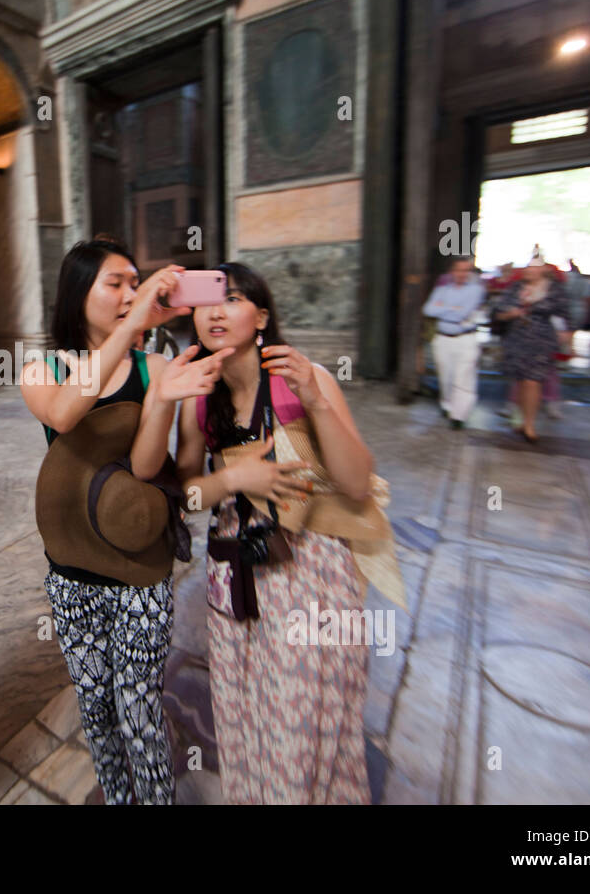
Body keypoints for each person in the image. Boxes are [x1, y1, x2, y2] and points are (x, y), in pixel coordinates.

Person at [157, 262, 393, 803]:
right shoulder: (199, 398)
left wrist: (314, 400)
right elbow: (189, 496)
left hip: (310, 574)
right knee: (244, 715)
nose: (216, 310)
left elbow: (358, 485)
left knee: (303, 725)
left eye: (234, 298)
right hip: (236, 575)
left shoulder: (301, 382)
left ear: (262, 317)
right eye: (207, 300)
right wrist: (233, 478)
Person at [20, 237, 229, 804]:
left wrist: (165, 398)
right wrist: (134, 319)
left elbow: (147, 467)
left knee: (138, 707)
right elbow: (65, 414)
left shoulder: (153, 363)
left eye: (135, 284)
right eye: (115, 283)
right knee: (95, 706)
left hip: (139, 564)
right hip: (71, 567)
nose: (130, 294)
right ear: (76, 292)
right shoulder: (42, 369)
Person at [493, 254, 567, 443]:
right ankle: (521, 420)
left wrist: (568, 336)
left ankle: (529, 424)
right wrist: (510, 313)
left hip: (540, 341)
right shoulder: (515, 287)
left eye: (534, 267)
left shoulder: (553, 289)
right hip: (516, 339)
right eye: (527, 267)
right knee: (520, 381)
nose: (529, 270)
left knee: (533, 381)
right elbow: (498, 311)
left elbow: (566, 313)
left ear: (544, 270)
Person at [423, 257, 486, 429]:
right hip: (443, 338)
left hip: (465, 338)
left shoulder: (475, 290)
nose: (462, 274)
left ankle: (459, 416)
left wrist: (444, 309)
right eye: (459, 270)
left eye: (467, 270)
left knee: (463, 376)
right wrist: (453, 309)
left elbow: (463, 313)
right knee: (446, 376)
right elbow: (428, 310)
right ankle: (447, 404)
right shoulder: (442, 290)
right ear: (452, 272)